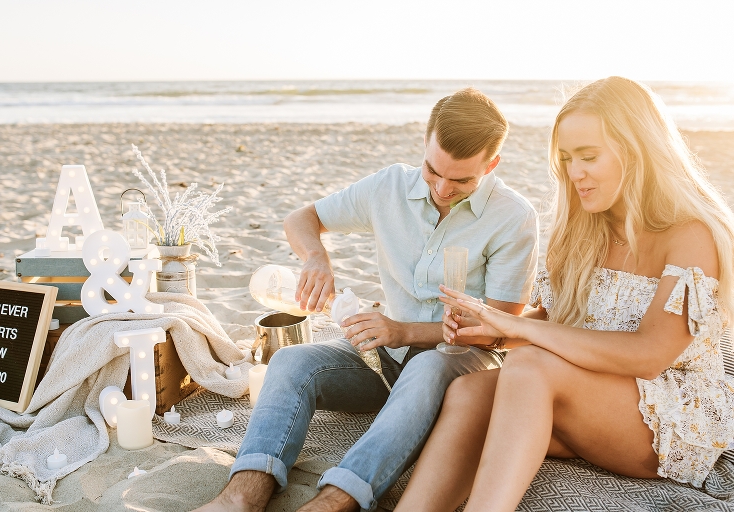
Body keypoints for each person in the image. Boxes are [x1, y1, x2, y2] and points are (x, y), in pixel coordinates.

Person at [395, 76, 734, 512]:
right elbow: (556, 323)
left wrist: (519, 330)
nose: (575, 173)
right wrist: (492, 330)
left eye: (589, 157)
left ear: (638, 151)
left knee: (529, 366)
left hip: (669, 419)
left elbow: (650, 355)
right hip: (589, 397)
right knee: (469, 392)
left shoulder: (690, 235)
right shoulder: (583, 229)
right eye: (567, 159)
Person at [194, 88, 539, 512]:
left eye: (462, 180)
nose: (442, 188)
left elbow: (498, 329)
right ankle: (241, 495)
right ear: (425, 143)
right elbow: (302, 218)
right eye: (433, 170)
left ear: (492, 165)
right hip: (386, 355)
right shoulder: (389, 186)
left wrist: (404, 331)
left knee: (428, 365)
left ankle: (334, 501)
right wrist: (316, 257)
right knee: (290, 361)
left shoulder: (513, 217)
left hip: (460, 362)